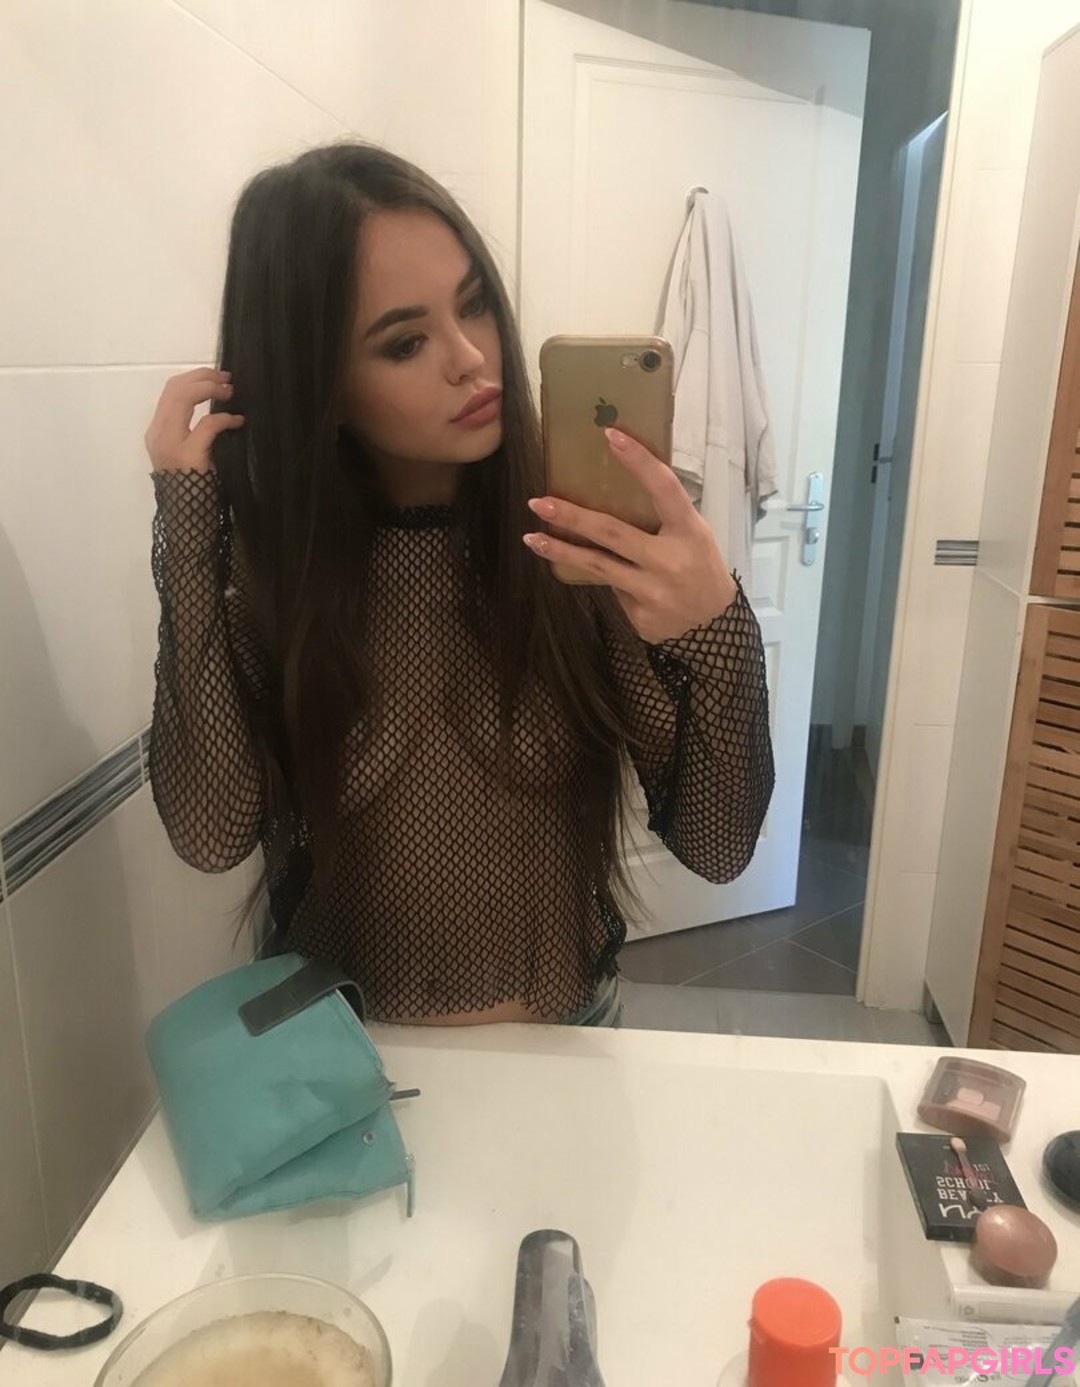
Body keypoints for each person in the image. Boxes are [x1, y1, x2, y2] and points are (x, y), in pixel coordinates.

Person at [143, 141, 774, 1029]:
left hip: (566, 1039)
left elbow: (718, 843)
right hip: (348, 1060)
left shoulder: (571, 546)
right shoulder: (279, 575)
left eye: (474, 303)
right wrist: (188, 537)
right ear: (318, 382)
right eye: (405, 341)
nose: (472, 357)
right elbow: (211, 833)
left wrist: (715, 629)